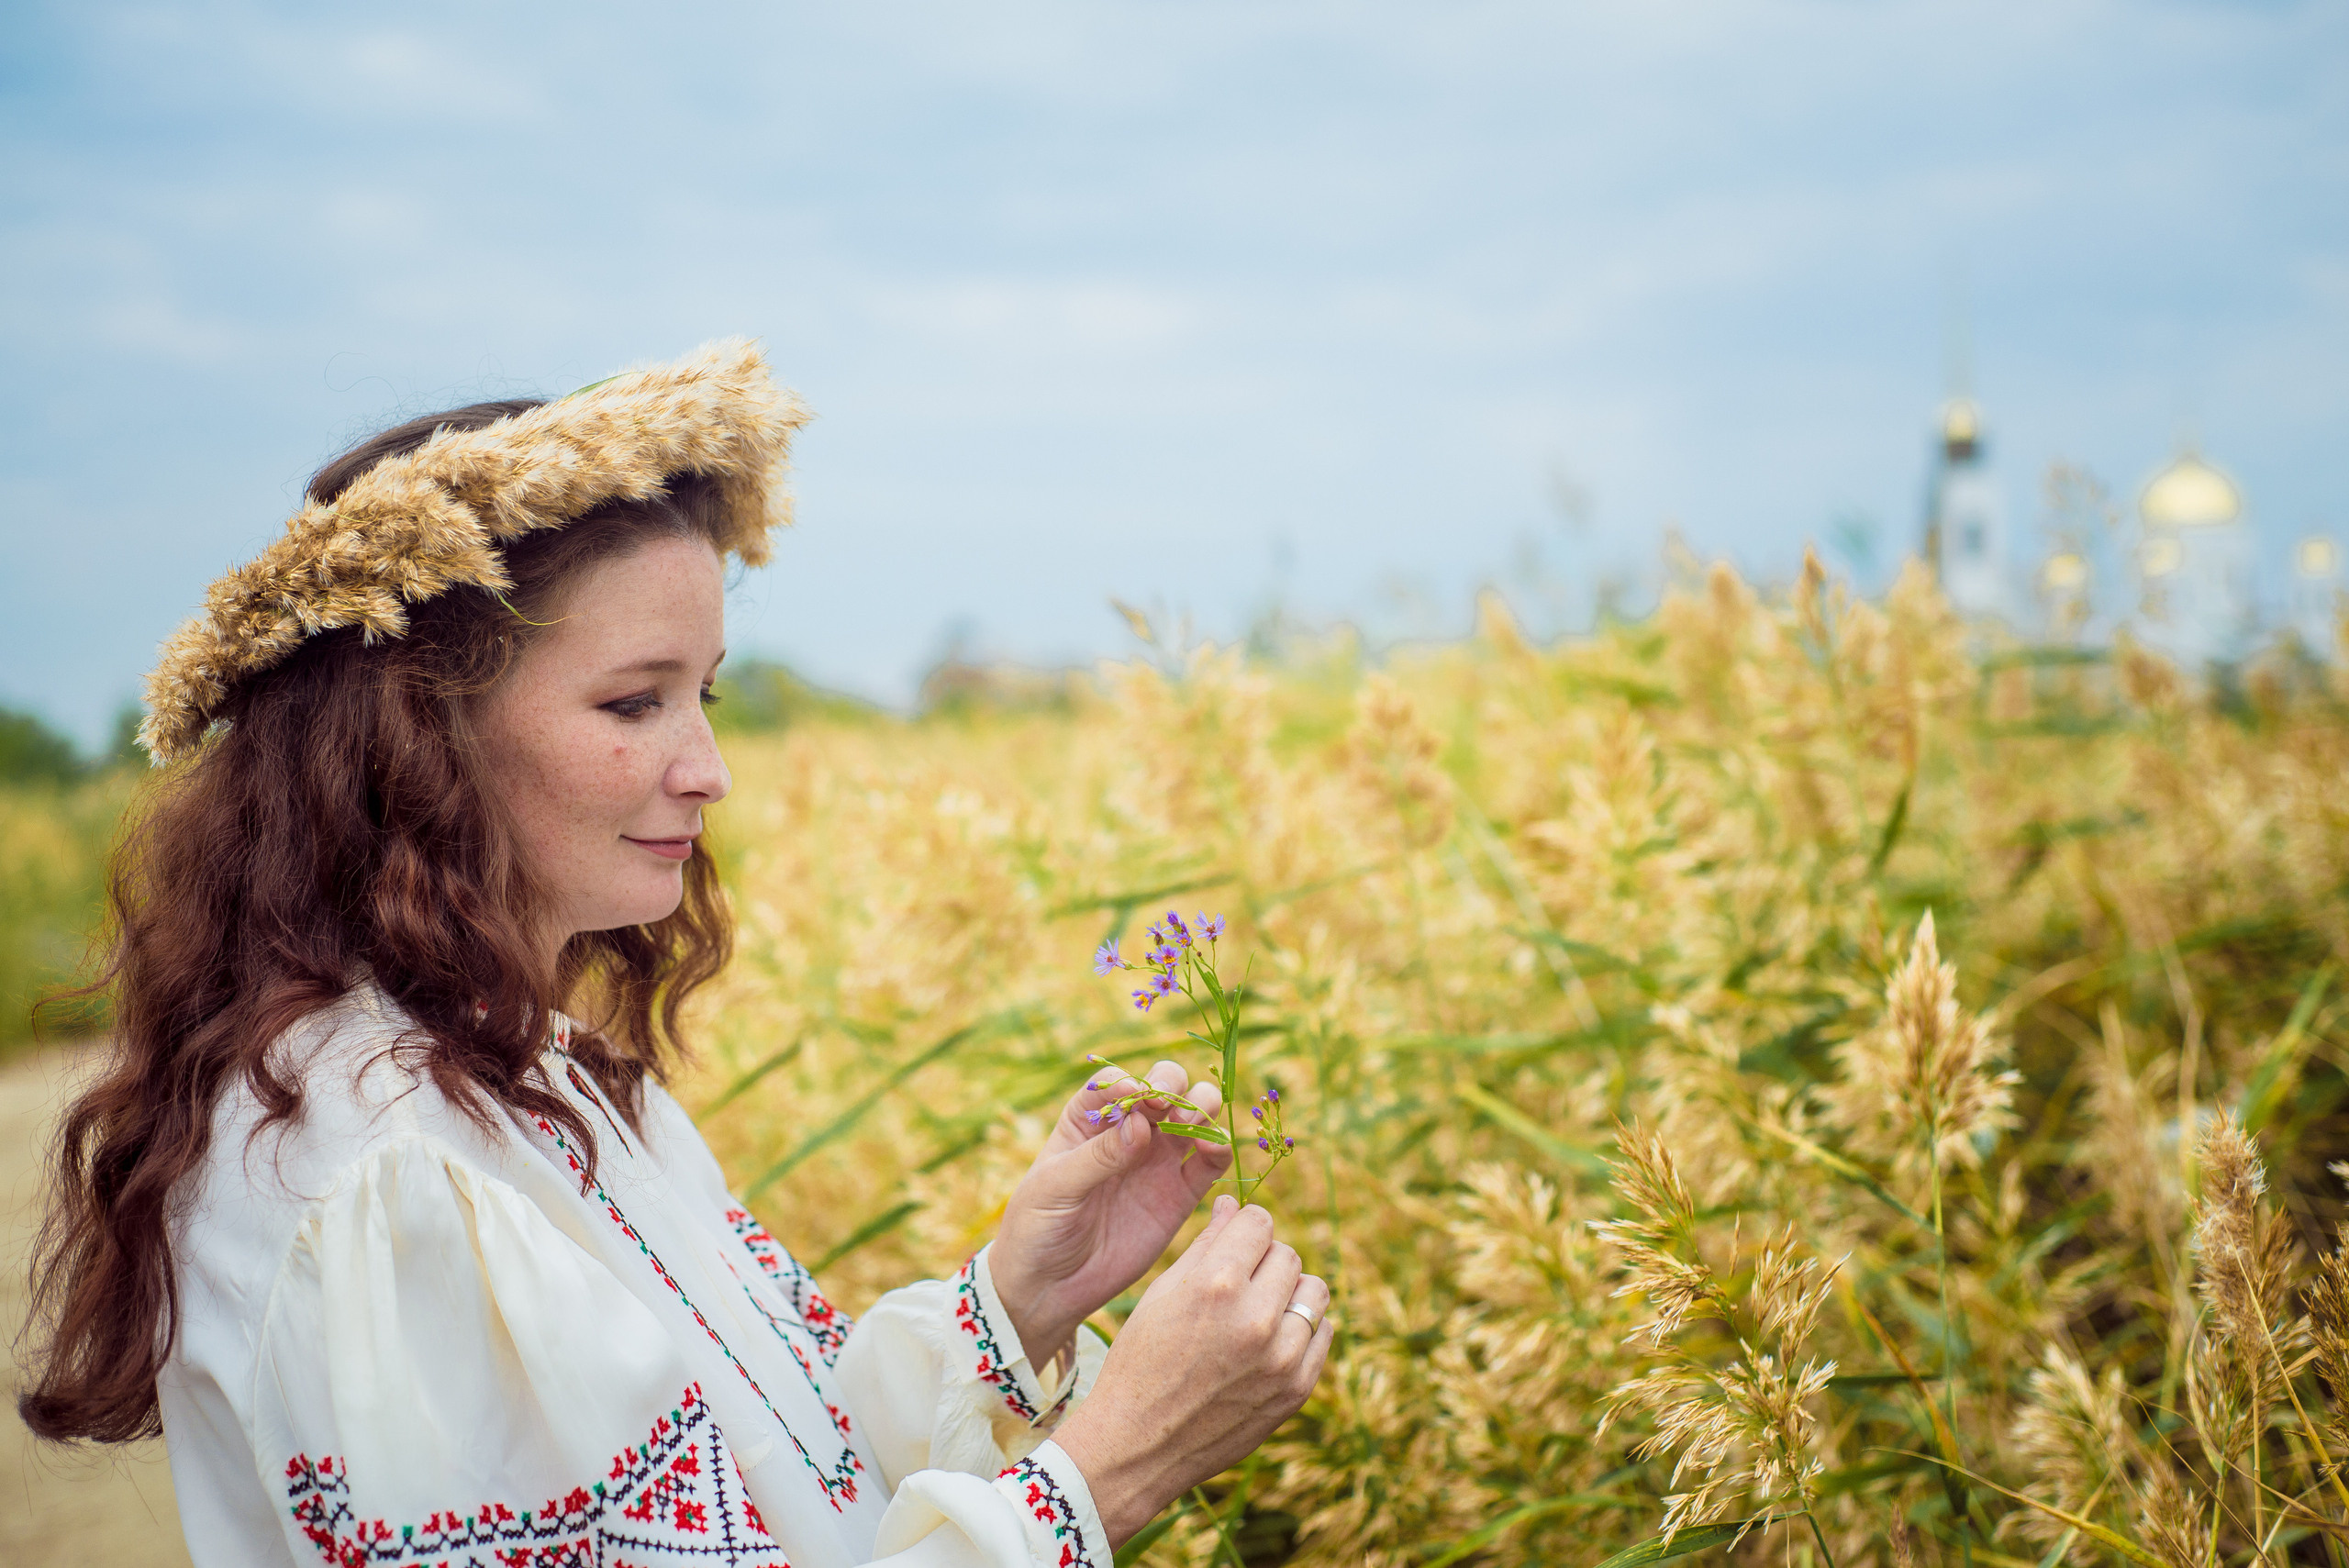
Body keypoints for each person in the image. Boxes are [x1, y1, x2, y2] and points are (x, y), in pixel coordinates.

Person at [18, 339, 1332, 1568]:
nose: (707, 768)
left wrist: (1013, 1304)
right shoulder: (386, 1173)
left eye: (705, 692)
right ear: (416, 734)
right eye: (634, 700)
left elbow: (767, 1486)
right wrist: (1111, 1469)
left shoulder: (532, 1067)